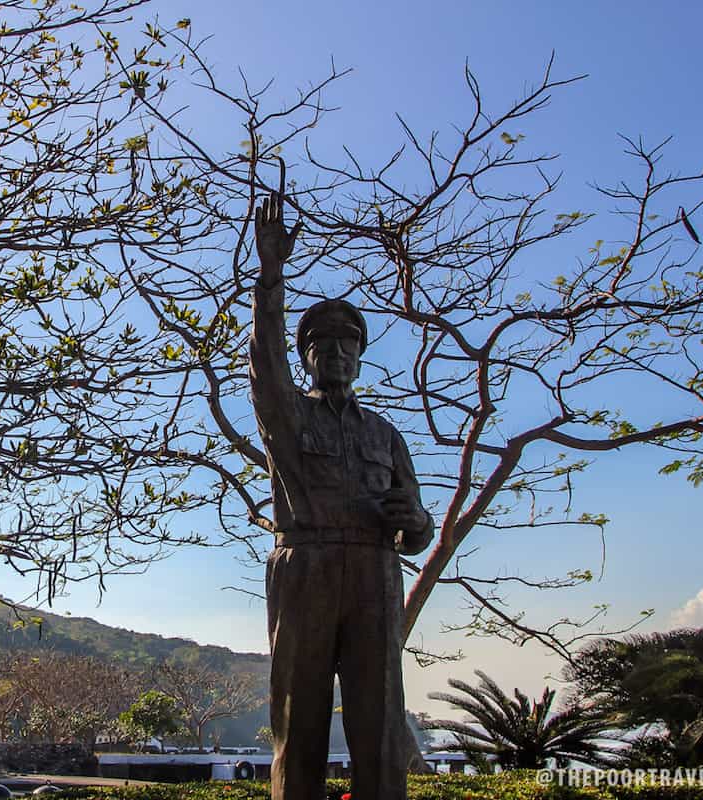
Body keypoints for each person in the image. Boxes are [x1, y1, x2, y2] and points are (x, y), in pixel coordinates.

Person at [249, 174, 433, 800]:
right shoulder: (288, 415)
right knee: (298, 718)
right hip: (307, 565)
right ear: (306, 358)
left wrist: (414, 521)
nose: (336, 354)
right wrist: (271, 277)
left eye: (347, 345)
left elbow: (418, 528)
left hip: (377, 575)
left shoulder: (385, 434)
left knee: (379, 720)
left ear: (360, 357)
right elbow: (265, 361)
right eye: (322, 346)